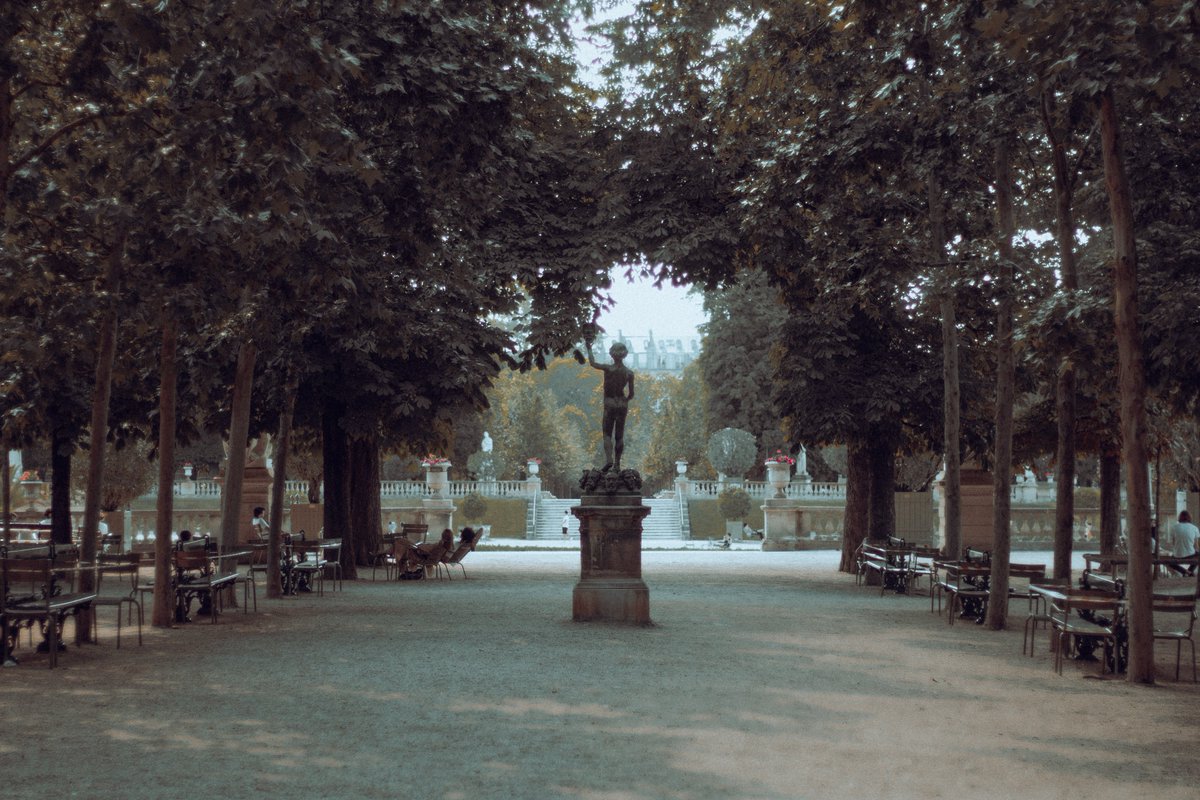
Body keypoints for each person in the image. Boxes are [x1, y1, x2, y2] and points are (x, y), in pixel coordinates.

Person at [587, 339, 635, 471]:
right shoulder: (629, 373)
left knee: (607, 434)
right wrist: (625, 400)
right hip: (622, 404)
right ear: (624, 355)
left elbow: (592, 363)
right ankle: (617, 464)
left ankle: (609, 460)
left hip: (609, 403)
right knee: (619, 435)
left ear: (612, 354)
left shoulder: (608, 369)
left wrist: (589, 348)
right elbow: (631, 394)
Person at [1168, 510, 1199, 576]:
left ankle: (1185, 572)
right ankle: (1190, 572)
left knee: (1169, 562)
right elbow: (1196, 546)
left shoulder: (1174, 527)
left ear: (1180, 517)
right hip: (1190, 555)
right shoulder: (1194, 528)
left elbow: (1173, 543)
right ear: (1189, 517)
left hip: (1177, 555)